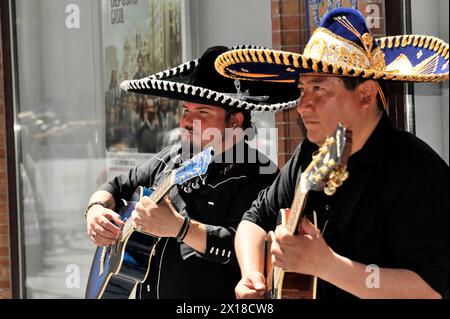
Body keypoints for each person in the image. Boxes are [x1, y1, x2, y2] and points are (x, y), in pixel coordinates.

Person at [214, 8, 449, 299]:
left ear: (366, 93)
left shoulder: (416, 170)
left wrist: (328, 266)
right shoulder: (310, 153)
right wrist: (252, 272)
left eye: (318, 88)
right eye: (302, 89)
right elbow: (254, 219)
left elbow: (431, 289)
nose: (301, 105)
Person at [84, 46, 300, 299]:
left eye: (202, 113)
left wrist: (180, 228)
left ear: (235, 121)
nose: (187, 121)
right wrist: (95, 210)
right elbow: (116, 186)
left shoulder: (261, 176)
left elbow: (252, 250)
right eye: (186, 111)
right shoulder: (171, 157)